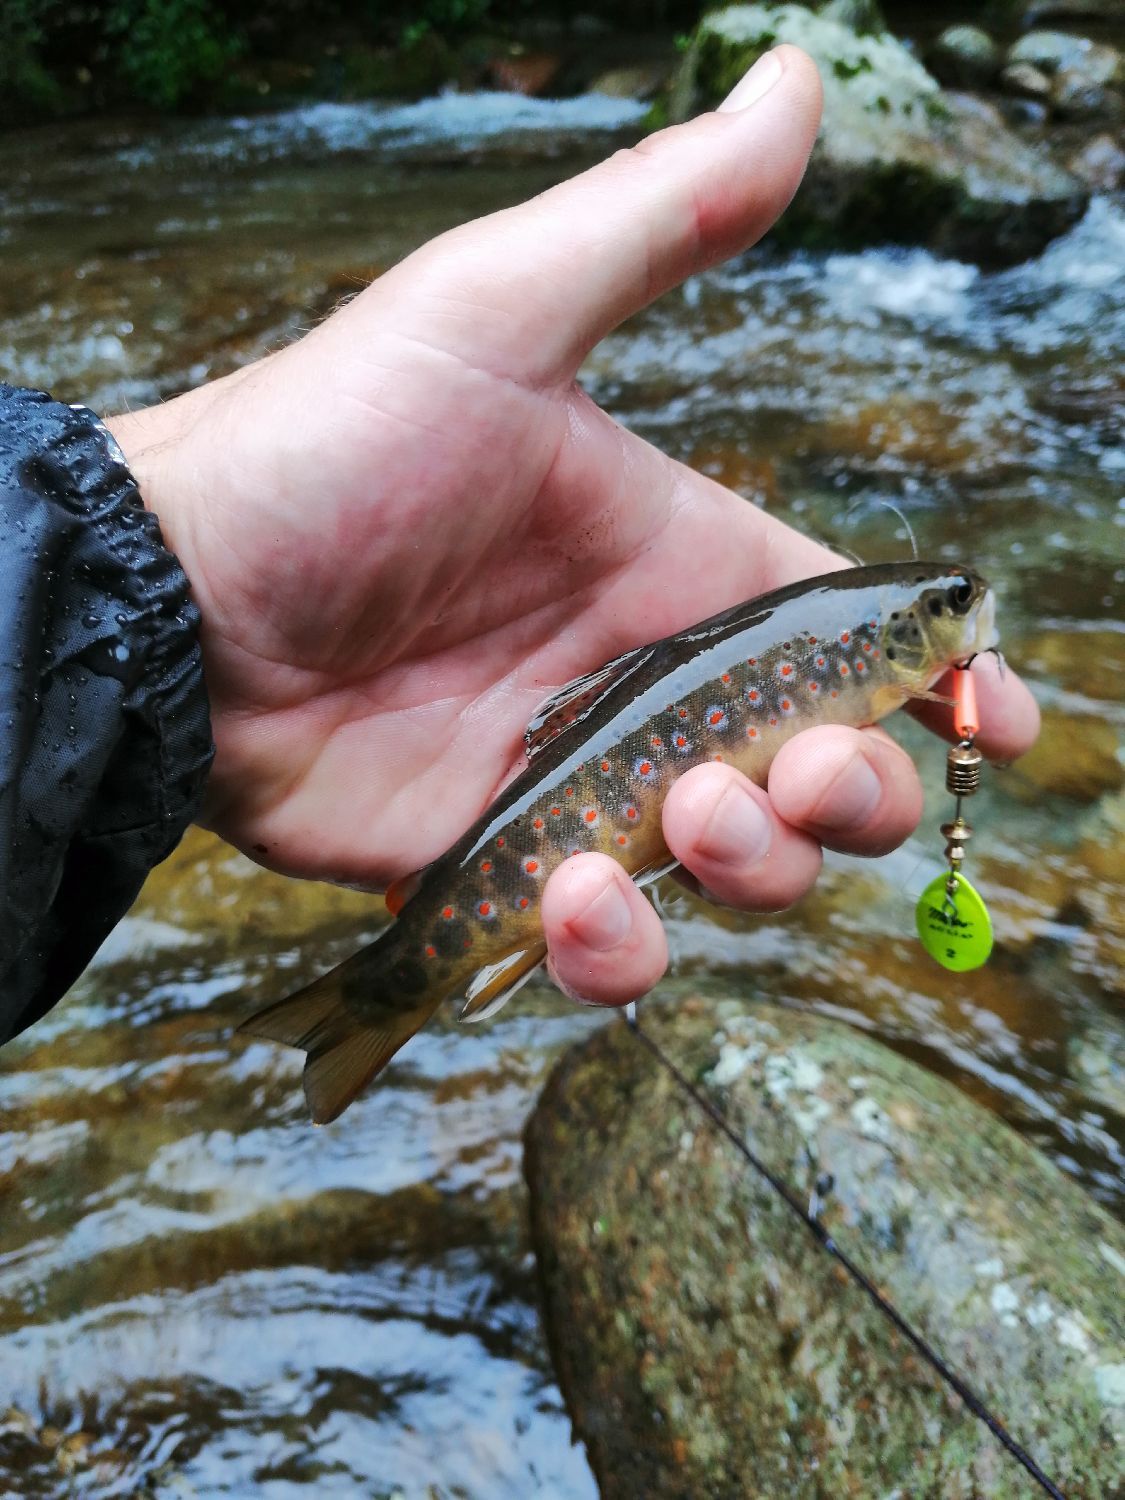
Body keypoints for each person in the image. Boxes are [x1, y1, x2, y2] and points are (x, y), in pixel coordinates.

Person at [0, 46, 1038, 1049]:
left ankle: (394, 986)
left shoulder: (859, 645)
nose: (962, 611)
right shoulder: (859, 642)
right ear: (897, 634)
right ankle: (387, 990)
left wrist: (134, 583)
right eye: (947, 605)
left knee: (731, 828)